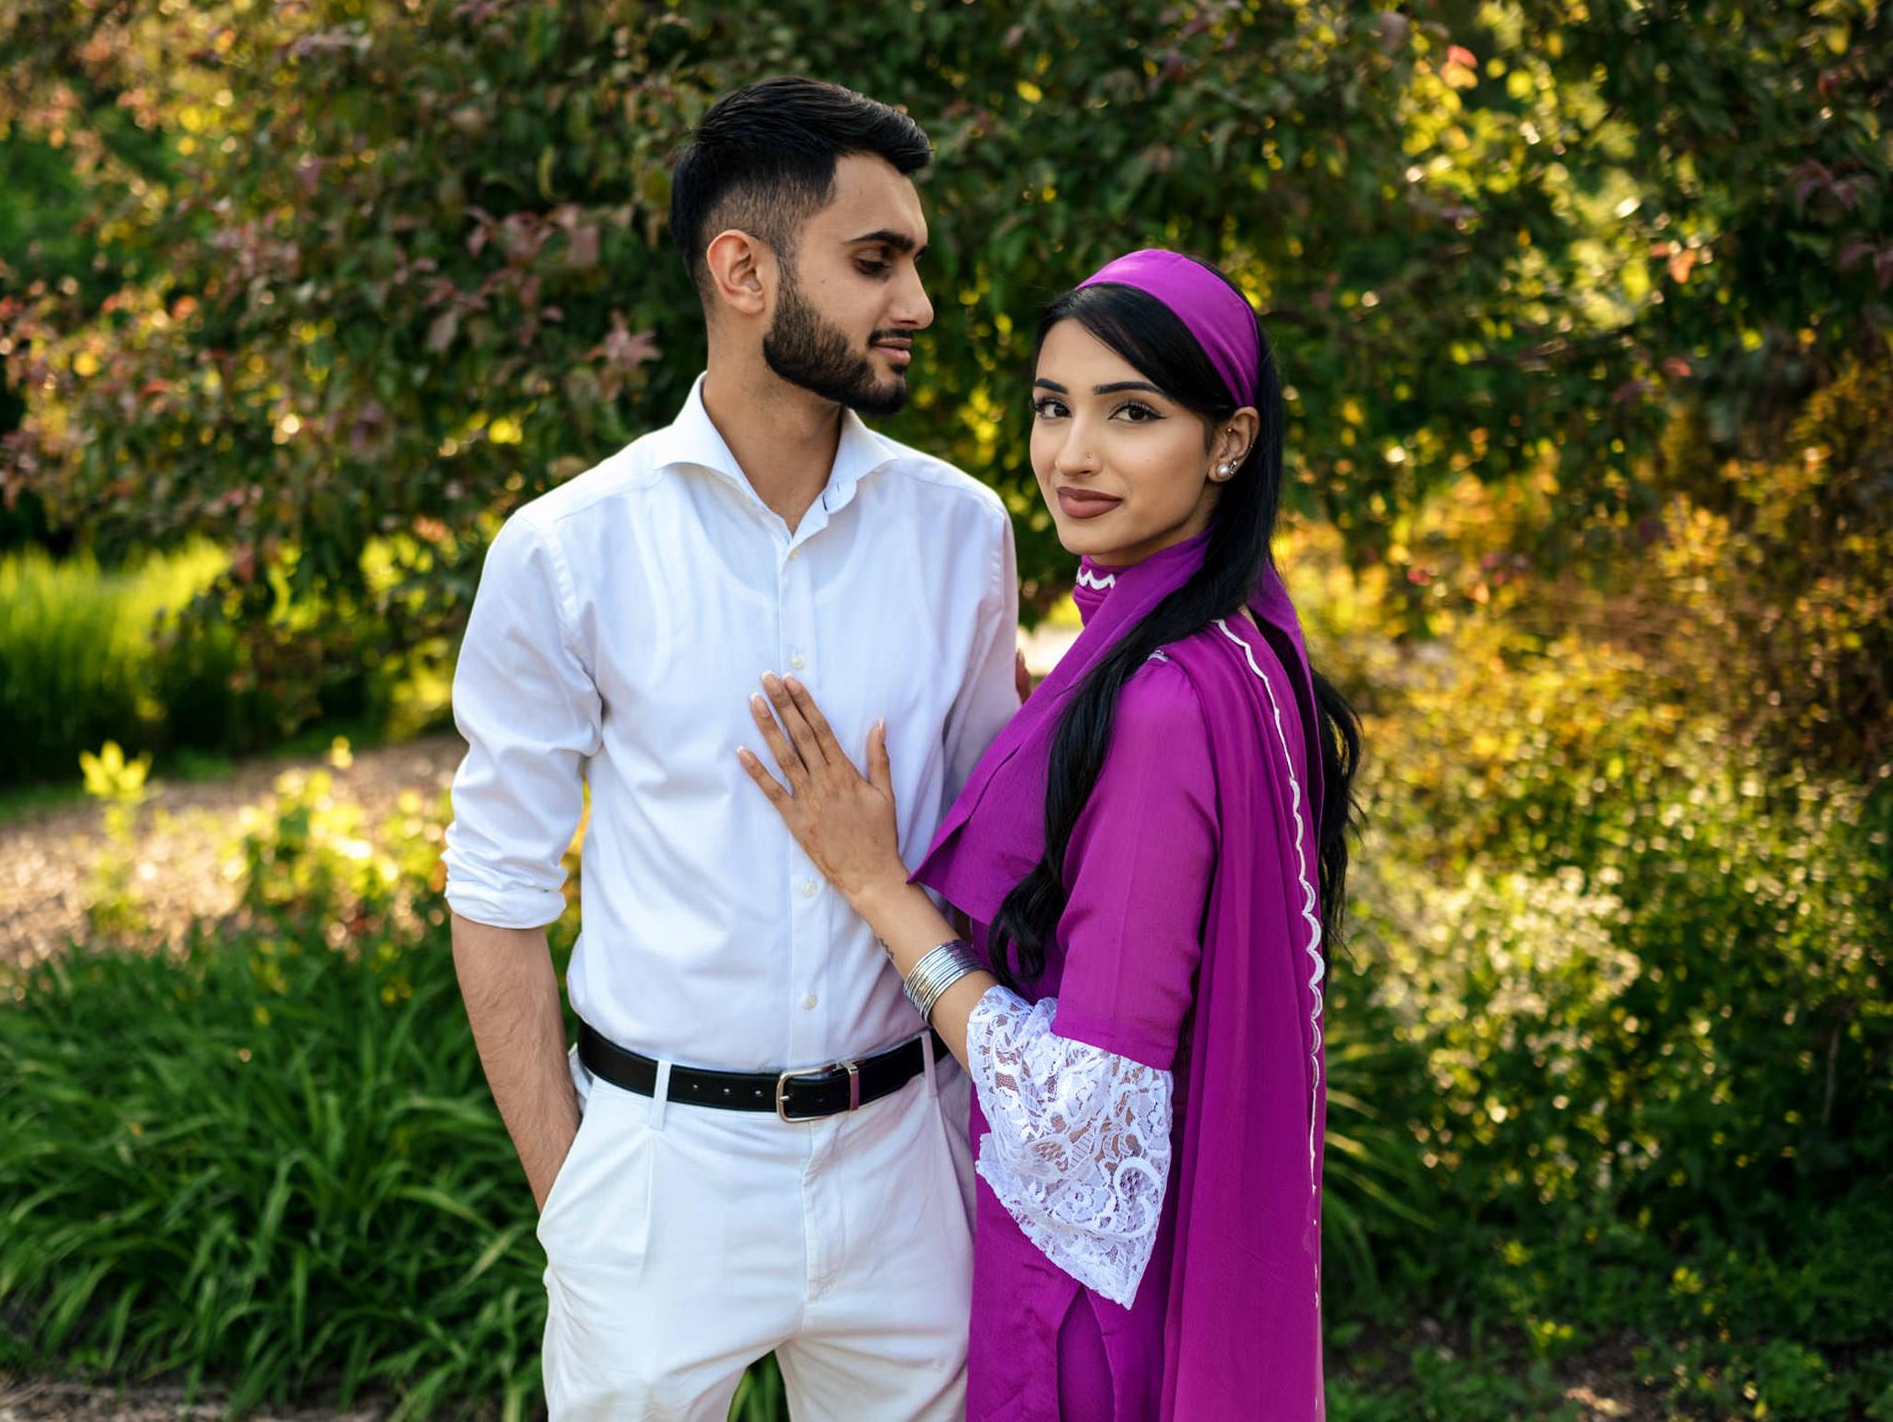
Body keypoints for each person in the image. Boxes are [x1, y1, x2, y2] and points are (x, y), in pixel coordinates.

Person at [442, 76, 1023, 1421]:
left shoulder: (963, 533)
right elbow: (495, 887)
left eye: (914, 261)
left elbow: (993, 861)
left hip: (903, 1170)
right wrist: (573, 1194)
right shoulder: (568, 550)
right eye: (875, 261)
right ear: (744, 270)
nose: (918, 301)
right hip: (658, 1176)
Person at [738, 248, 1363, 1421]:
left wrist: (875, 887)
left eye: (1130, 413)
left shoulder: (1163, 700)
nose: (1072, 454)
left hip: (1084, 1309)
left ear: (1229, 441)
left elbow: (1084, 1115)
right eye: (1052, 405)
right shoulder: (1240, 643)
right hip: (1148, 1269)